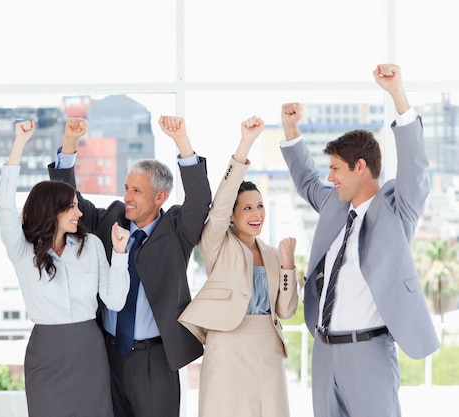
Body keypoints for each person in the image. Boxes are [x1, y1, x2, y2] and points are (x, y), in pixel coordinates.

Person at [280, 64, 440, 417]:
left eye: (336, 168)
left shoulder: (396, 210)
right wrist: (291, 131)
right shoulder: (334, 207)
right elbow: (307, 181)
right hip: (323, 352)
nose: (330, 176)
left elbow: (414, 167)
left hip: (368, 352)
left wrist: (398, 94)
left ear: (361, 167)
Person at [48, 115, 211, 417]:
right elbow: (66, 200)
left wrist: (182, 142)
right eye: (126, 188)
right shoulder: (111, 218)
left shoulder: (177, 229)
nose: (127, 197)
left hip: (155, 360)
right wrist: (70, 144)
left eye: (136, 191)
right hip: (107, 356)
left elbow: (200, 200)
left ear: (160, 197)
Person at [0, 119, 131, 417]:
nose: (79, 212)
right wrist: (19, 144)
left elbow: (115, 301)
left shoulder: (92, 244)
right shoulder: (23, 250)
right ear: (51, 210)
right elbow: (4, 205)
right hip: (46, 355)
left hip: (88, 353)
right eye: (71, 206)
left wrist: (120, 254)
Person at [178, 116, 298, 417]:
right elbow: (219, 205)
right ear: (232, 216)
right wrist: (246, 143)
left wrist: (288, 266)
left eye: (260, 206)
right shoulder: (217, 244)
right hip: (227, 344)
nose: (256, 213)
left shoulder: (271, 254)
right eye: (247, 207)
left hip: (268, 348)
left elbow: (286, 310)